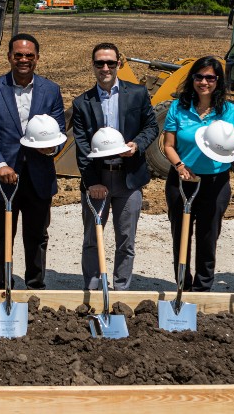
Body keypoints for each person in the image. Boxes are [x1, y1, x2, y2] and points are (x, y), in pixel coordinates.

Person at [0, 33, 65, 290]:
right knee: (2, 235)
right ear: (9, 57)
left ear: (37, 58)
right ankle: (2, 283)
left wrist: (52, 149)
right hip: (3, 177)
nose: (23, 60)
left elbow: (59, 129)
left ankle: (35, 284)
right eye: (18, 55)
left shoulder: (50, 90)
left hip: (39, 175)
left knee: (37, 235)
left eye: (29, 55)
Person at [71, 42, 158, 290]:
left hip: (129, 178)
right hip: (98, 179)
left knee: (126, 240)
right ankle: (92, 287)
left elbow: (151, 126)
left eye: (110, 62)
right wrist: (92, 182)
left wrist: (137, 145)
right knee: (91, 238)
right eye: (100, 63)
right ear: (93, 66)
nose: (105, 67)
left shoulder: (138, 94)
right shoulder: (82, 103)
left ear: (119, 63)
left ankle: (120, 289)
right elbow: (83, 146)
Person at [162, 56, 234, 292]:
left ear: (218, 81)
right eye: (199, 77)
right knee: (181, 235)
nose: (204, 82)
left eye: (210, 77)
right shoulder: (178, 108)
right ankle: (182, 286)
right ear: (192, 79)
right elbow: (168, 145)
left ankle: (203, 288)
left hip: (215, 182)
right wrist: (179, 166)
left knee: (208, 236)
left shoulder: (229, 111)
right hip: (182, 180)